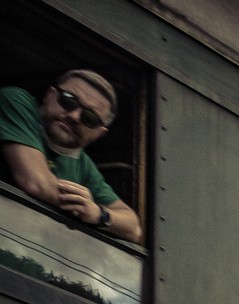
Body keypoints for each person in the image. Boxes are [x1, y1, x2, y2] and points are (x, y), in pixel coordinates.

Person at [0, 71, 142, 244]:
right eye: (68, 101)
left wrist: (98, 213)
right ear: (49, 95)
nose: (74, 116)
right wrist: (81, 208)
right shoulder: (16, 102)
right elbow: (37, 184)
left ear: (99, 134)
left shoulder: (84, 165)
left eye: (89, 118)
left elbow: (134, 228)